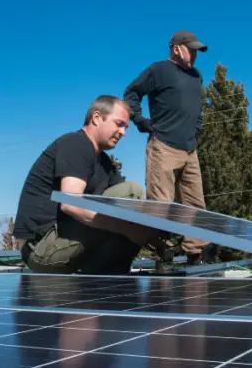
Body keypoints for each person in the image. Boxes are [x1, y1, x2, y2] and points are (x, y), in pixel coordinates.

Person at [13, 95, 160, 274]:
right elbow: (70, 205)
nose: (123, 132)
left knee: (134, 211)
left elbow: (136, 211)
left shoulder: (106, 166)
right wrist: (130, 231)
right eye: (119, 124)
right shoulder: (76, 144)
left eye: (126, 127)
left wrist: (156, 233)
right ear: (97, 118)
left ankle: (109, 274)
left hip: (68, 245)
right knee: (132, 192)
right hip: (42, 249)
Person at [124, 29, 212, 265]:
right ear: (176, 48)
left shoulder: (196, 76)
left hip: (190, 150)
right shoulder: (159, 70)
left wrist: (197, 128)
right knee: (161, 205)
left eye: (197, 51)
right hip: (162, 146)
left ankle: (195, 254)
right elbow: (131, 93)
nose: (194, 54)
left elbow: (197, 108)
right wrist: (140, 121)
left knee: (196, 204)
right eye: (191, 49)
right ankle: (163, 253)